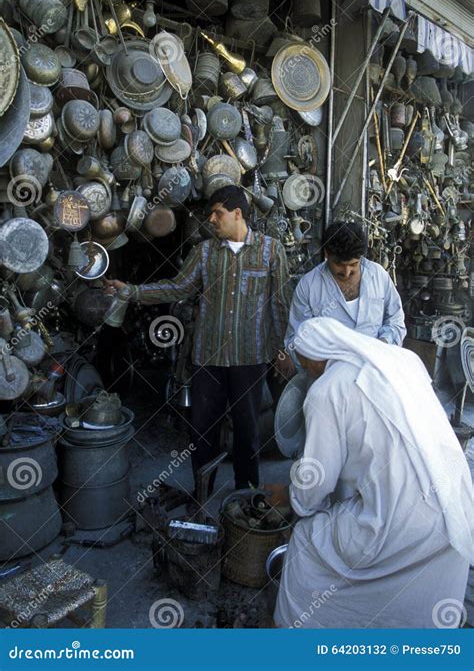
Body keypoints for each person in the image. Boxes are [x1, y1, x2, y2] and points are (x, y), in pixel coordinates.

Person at [274, 317, 473, 629]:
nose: (303, 370)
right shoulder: (396, 361)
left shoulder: (326, 390)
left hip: (401, 521)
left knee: (305, 544)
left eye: (301, 361)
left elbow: (316, 483)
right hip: (454, 507)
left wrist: (290, 499)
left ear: (313, 356)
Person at [105, 185, 292, 494]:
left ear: (237, 213)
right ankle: (202, 495)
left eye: (217, 213)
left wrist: (284, 348)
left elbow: (281, 302)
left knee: (247, 431)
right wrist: (131, 290)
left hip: (252, 356)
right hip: (209, 359)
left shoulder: (271, 250)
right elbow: (177, 288)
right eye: (210, 214)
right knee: (203, 432)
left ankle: (245, 498)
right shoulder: (204, 252)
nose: (212, 220)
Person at [278, 221, 406, 376]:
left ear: (361, 257)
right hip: (327, 378)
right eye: (339, 264)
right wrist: (320, 363)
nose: (346, 272)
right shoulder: (309, 286)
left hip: (374, 373)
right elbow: (295, 339)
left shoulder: (378, 276)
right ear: (327, 254)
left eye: (353, 264)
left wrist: (382, 346)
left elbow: (396, 322)